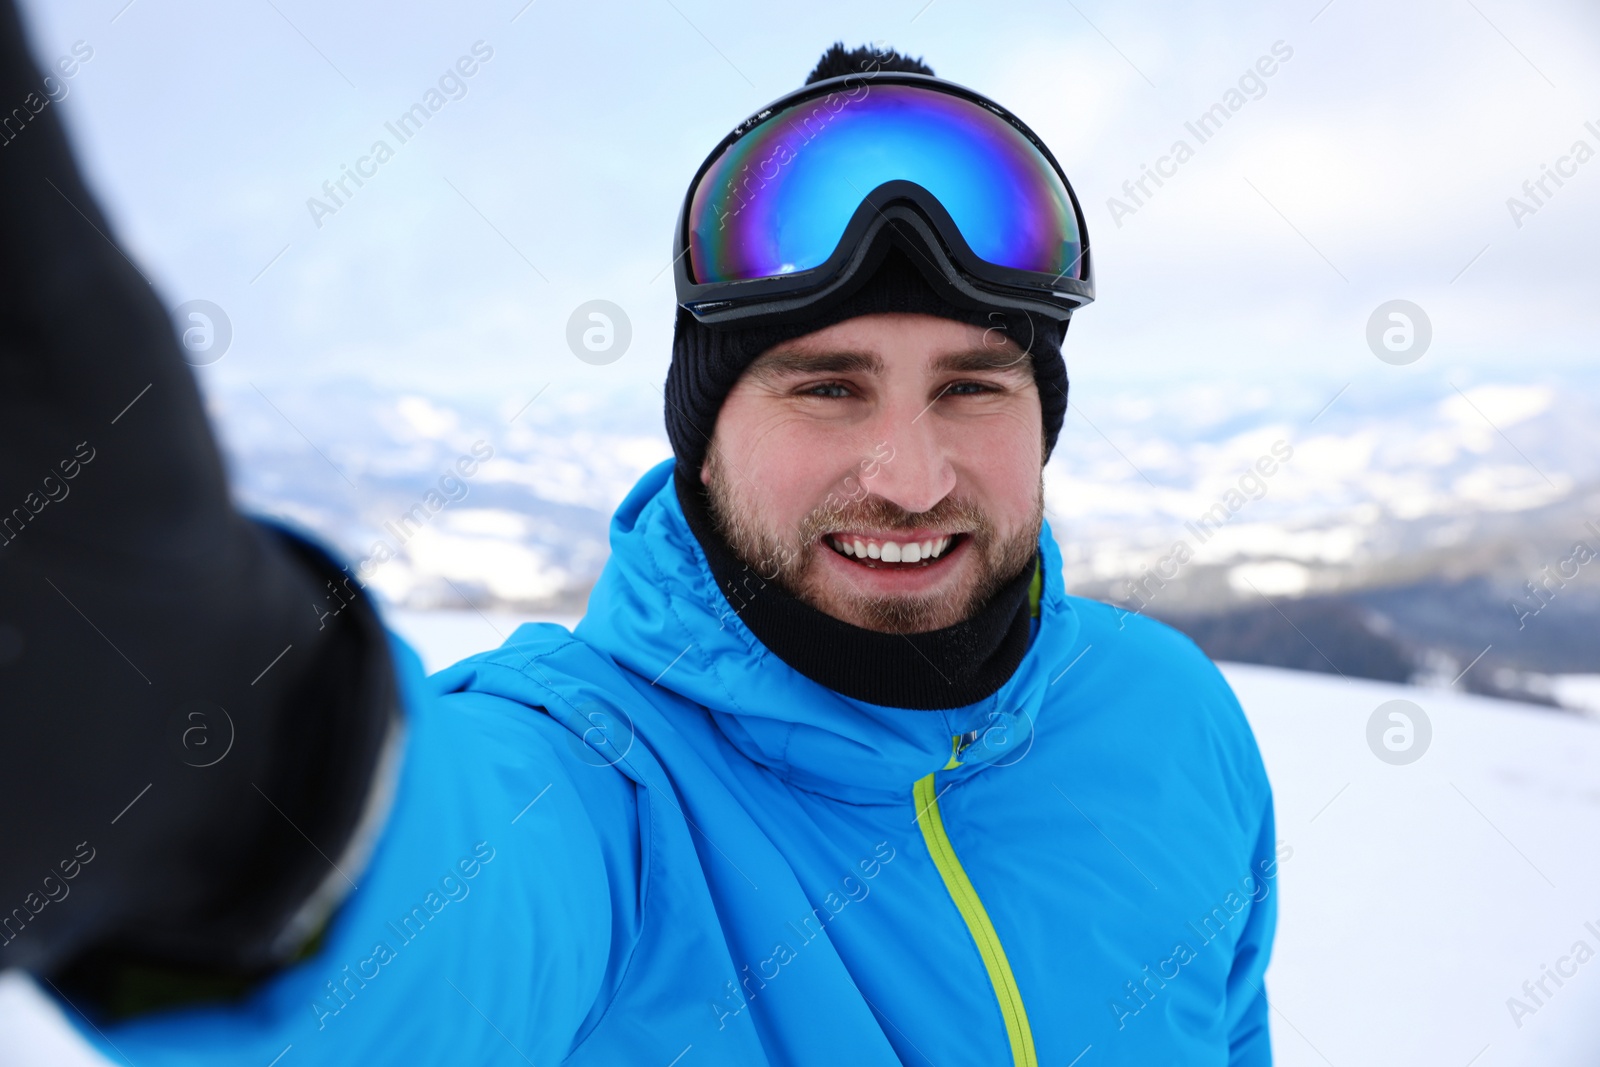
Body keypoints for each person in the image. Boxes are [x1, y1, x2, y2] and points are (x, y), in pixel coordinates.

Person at [0, 9, 1279, 1062]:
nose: (909, 475)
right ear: (700, 435)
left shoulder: (1167, 714)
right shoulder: (608, 789)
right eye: (825, 386)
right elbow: (438, 930)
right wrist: (236, 787)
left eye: (972, 384)